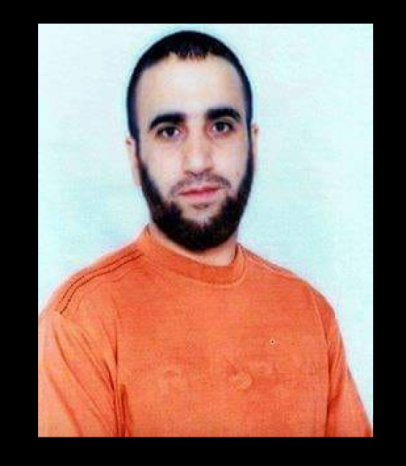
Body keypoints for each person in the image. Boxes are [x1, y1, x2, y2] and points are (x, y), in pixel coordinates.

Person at [38, 30, 372, 437]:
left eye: (221, 126)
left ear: (252, 144)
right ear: (135, 157)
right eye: (169, 131)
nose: (198, 160)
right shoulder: (80, 323)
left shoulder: (310, 312)